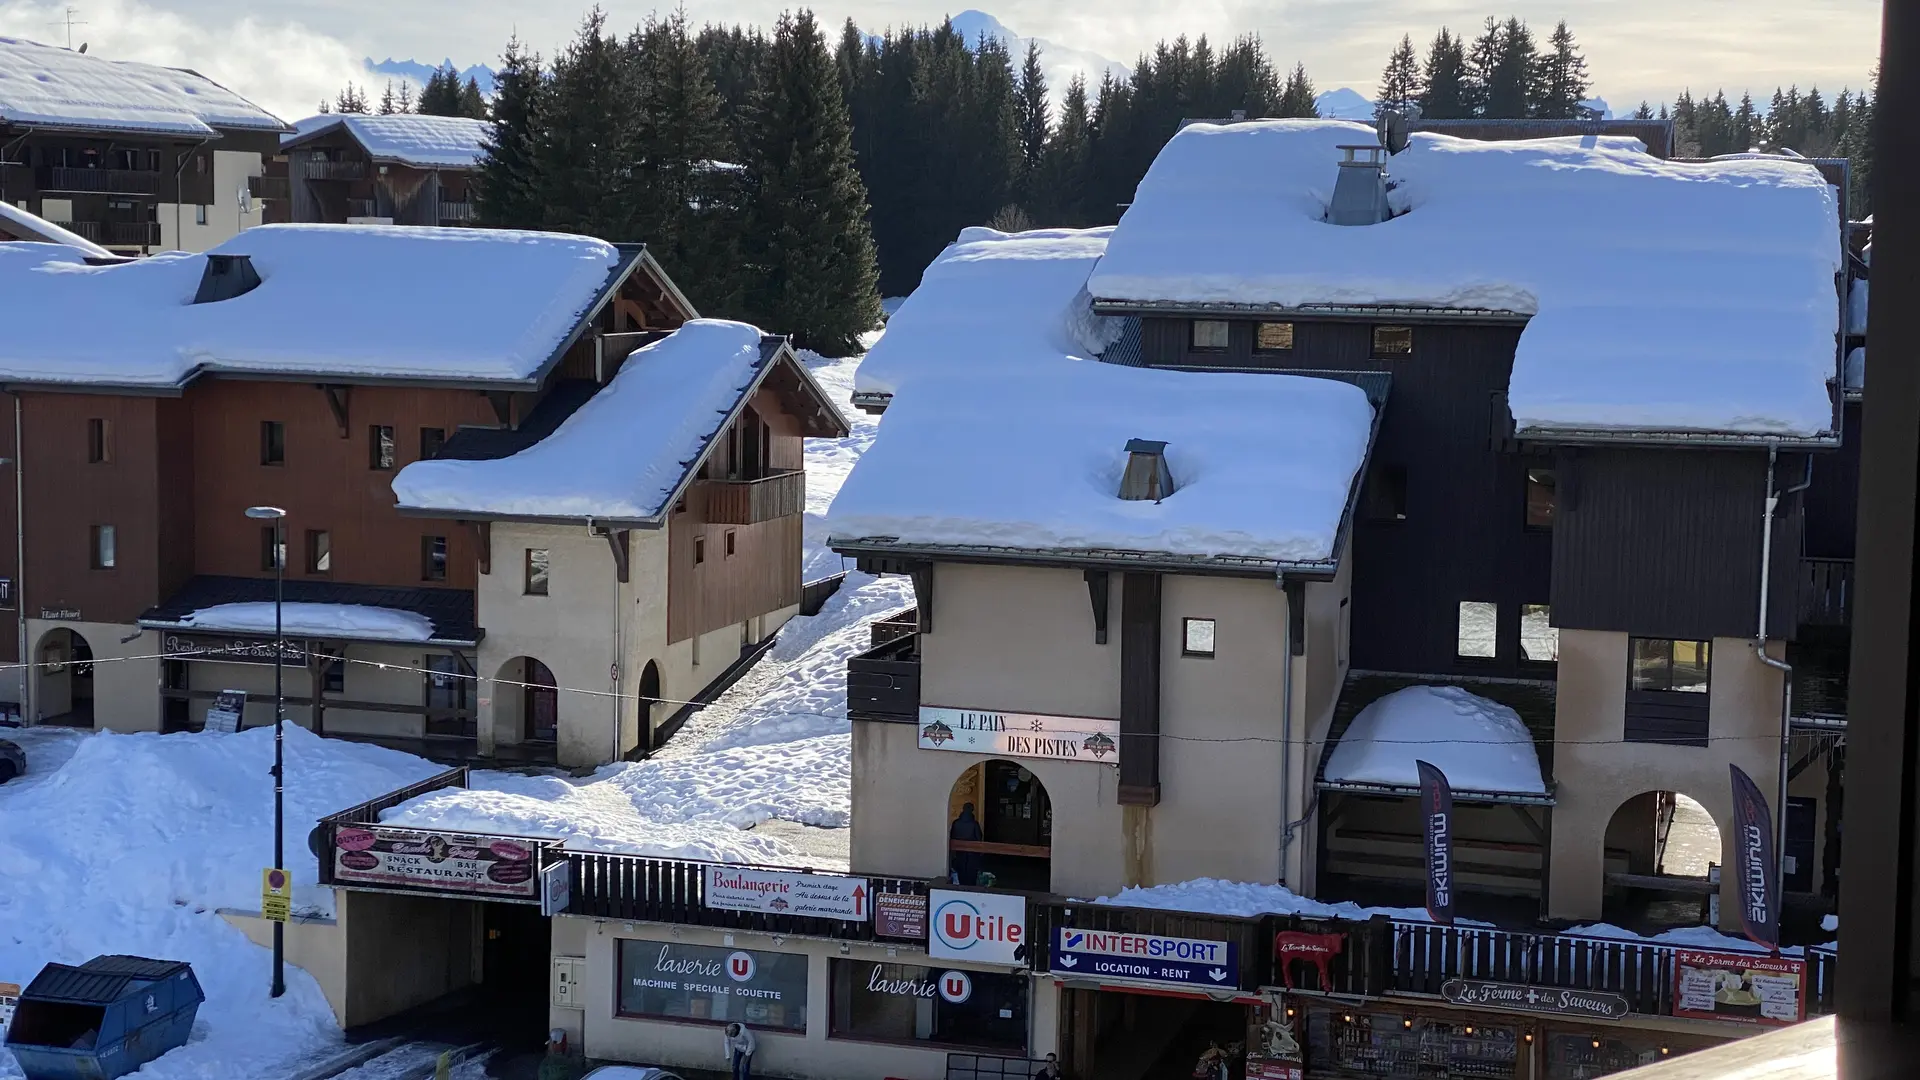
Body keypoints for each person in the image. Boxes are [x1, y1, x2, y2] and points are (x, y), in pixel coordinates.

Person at [950, 802, 984, 885]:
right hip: (972, 853)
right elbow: (979, 838)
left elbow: (952, 835)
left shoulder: (956, 823)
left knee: (961, 873)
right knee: (971, 875)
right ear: (972, 810)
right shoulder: (974, 824)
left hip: (959, 852)